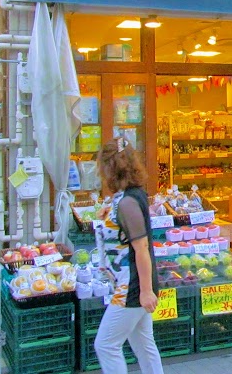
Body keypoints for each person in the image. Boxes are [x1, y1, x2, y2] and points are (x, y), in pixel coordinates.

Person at [94, 138, 164, 374]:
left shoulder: (127, 203)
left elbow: (141, 248)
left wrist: (145, 291)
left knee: (105, 344)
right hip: (133, 283)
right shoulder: (132, 196)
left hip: (131, 286)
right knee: (143, 344)